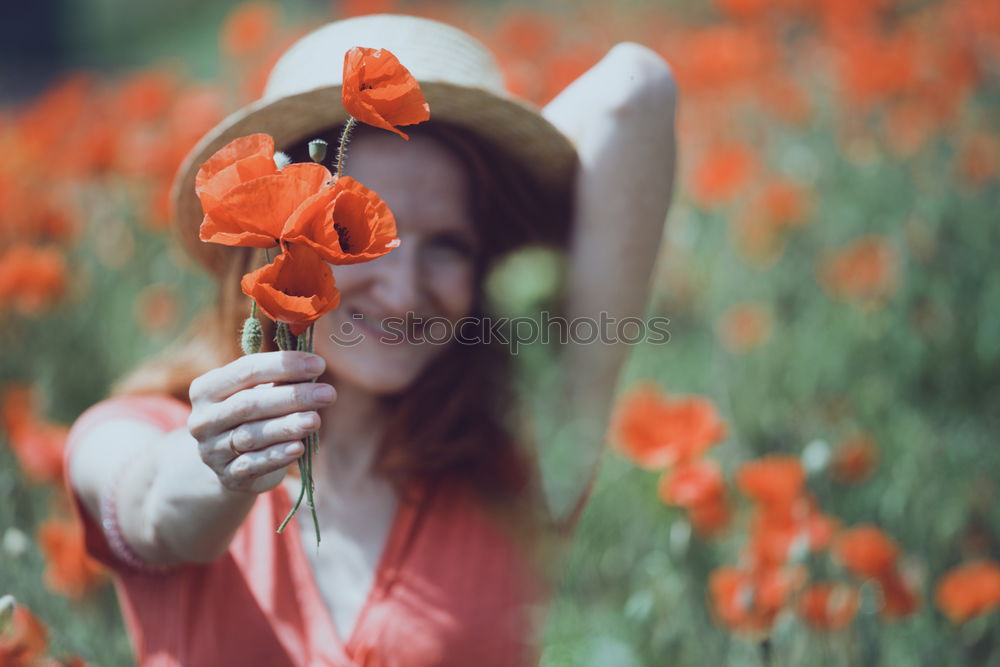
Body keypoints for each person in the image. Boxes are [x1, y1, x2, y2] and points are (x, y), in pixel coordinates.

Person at [64, 13, 676, 666]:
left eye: (449, 244)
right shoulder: (129, 431)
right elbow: (156, 509)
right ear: (278, 233)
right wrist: (226, 467)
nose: (404, 289)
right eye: (356, 230)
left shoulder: (521, 467)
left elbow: (634, 91)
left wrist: (506, 162)